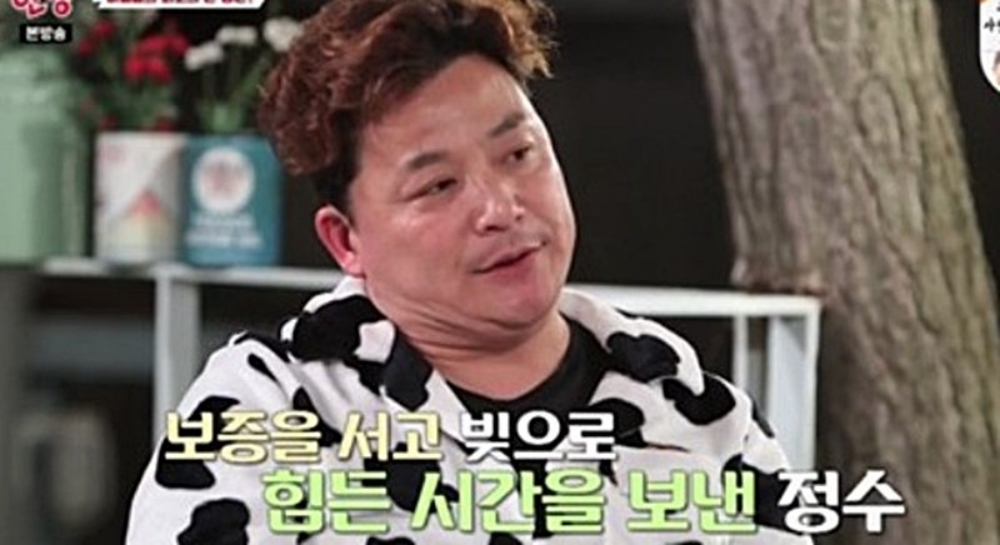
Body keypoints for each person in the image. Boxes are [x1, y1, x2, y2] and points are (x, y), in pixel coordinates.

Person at [126, 0, 812, 543]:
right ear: (346, 240)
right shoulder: (263, 412)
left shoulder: (697, 413)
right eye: (438, 185)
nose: (501, 208)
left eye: (519, 154)